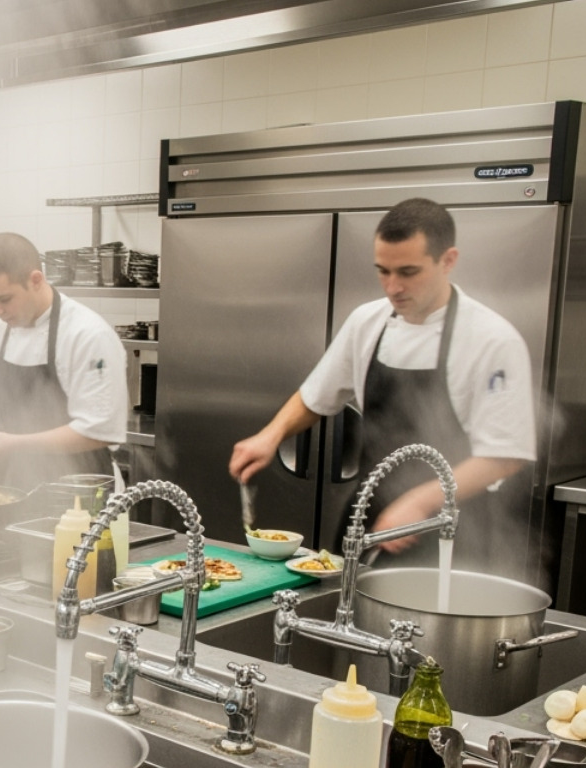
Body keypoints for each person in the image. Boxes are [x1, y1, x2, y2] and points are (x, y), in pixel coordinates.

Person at [228, 199, 536, 560]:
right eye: (383, 271)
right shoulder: (367, 322)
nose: (392, 287)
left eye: (408, 272)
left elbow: (504, 456)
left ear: (448, 260)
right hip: (371, 512)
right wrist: (272, 434)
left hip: (453, 529)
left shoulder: (492, 339)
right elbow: (316, 396)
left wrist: (419, 501)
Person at [0, 232, 129, 486]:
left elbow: (99, 431)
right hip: (19, 486)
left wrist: (17, 444)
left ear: (36, 280)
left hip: (86, 491)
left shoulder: (88, 335)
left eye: (4, 299)